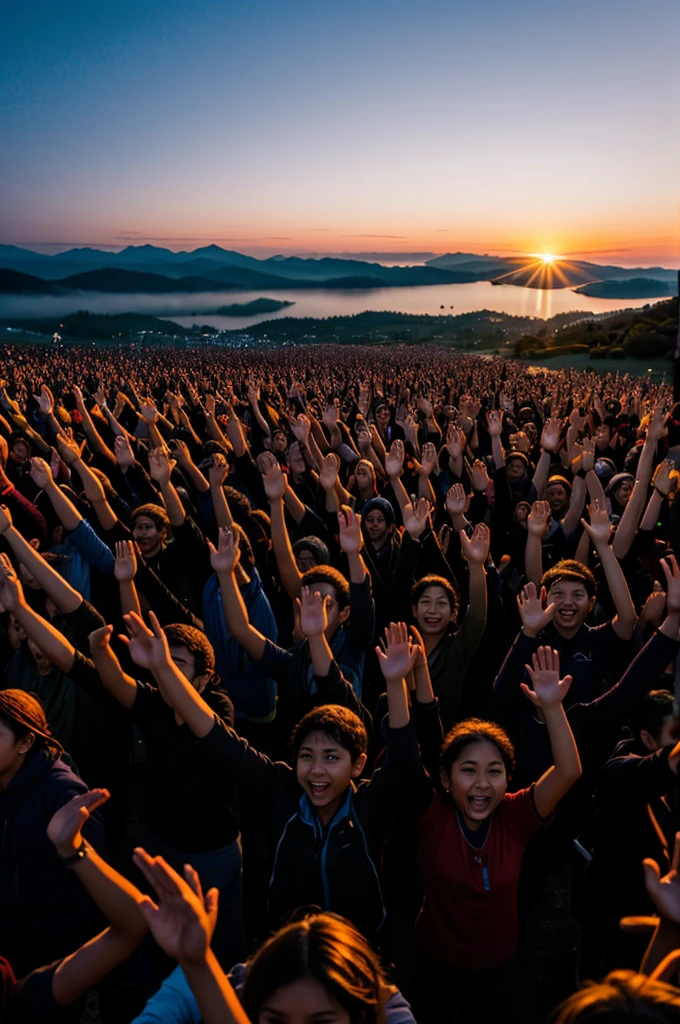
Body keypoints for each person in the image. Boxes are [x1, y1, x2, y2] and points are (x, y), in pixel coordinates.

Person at [409, 645, 582, 1024]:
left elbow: (568, 771)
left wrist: (552, 706)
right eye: (469, 770)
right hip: (433, 961)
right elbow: (414, 743)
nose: (482, 785)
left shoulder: (515, 816)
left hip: (497, 966)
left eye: (495, 771)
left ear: (508, 777)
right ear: (445, 779)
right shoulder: (432, 815)